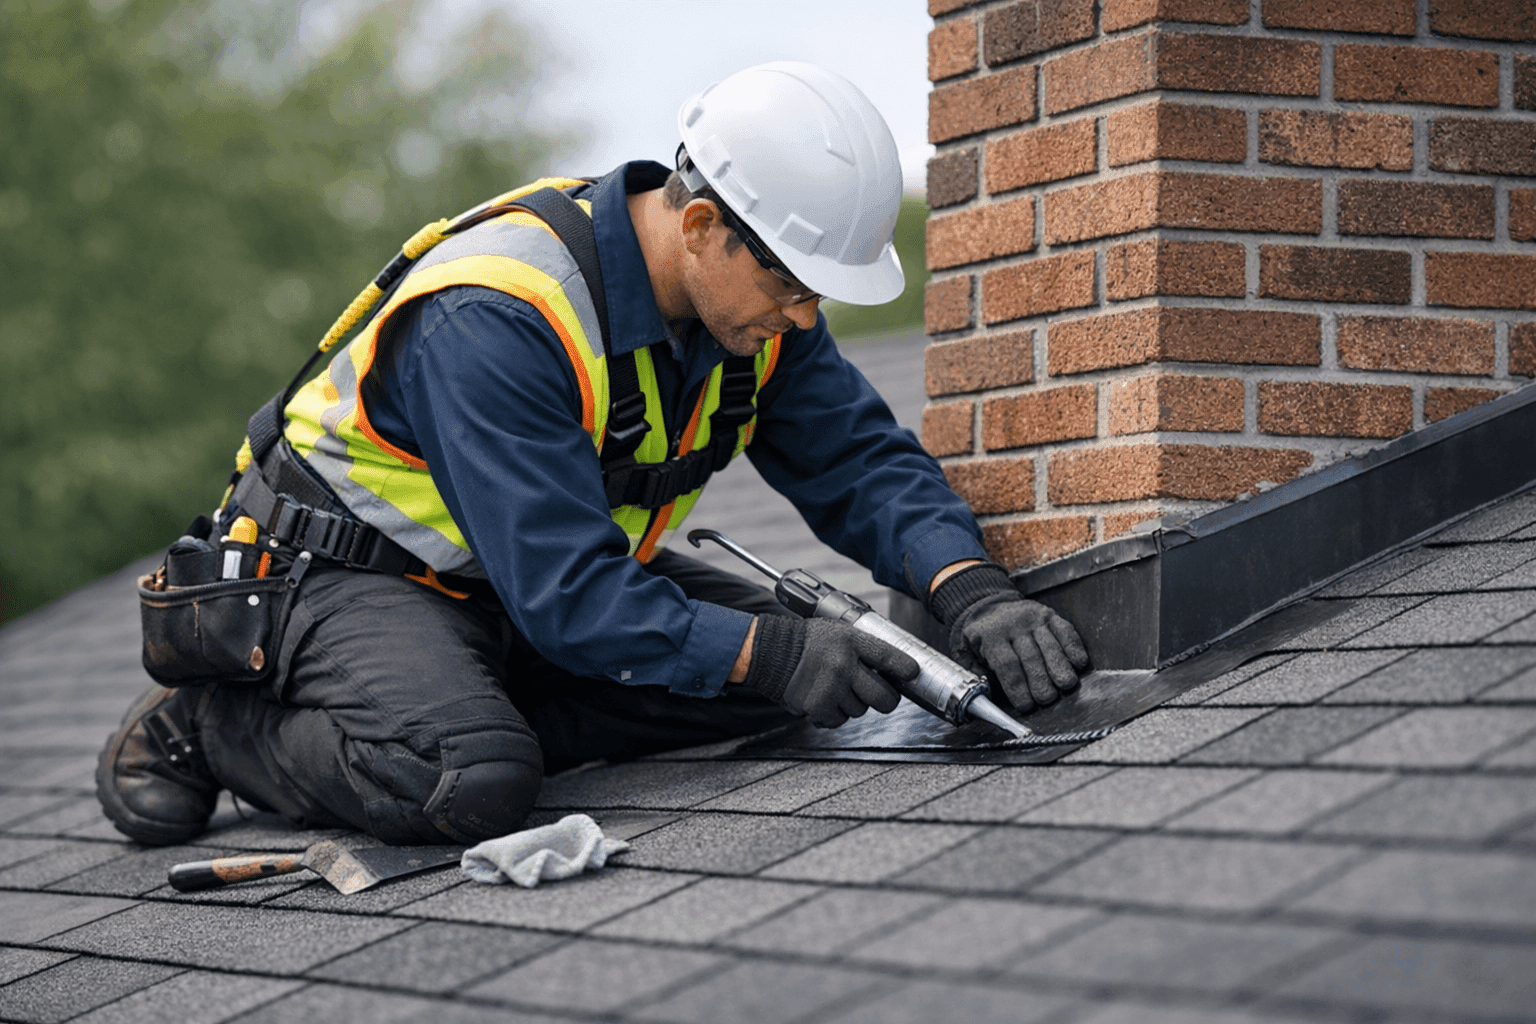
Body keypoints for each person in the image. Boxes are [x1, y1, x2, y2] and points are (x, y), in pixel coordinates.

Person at [98, 62, 1089, 847]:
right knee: (470, 773)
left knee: (838, 674)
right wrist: (765, 650)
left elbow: (862, 462)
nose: (806, 315)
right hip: (341, 577)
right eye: (794, 284)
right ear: (702, 226)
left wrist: (969, 591)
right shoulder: (496, 316)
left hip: (511, 587)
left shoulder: (755, 313)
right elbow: (570, 590)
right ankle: (213, 728)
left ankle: (468, 692)